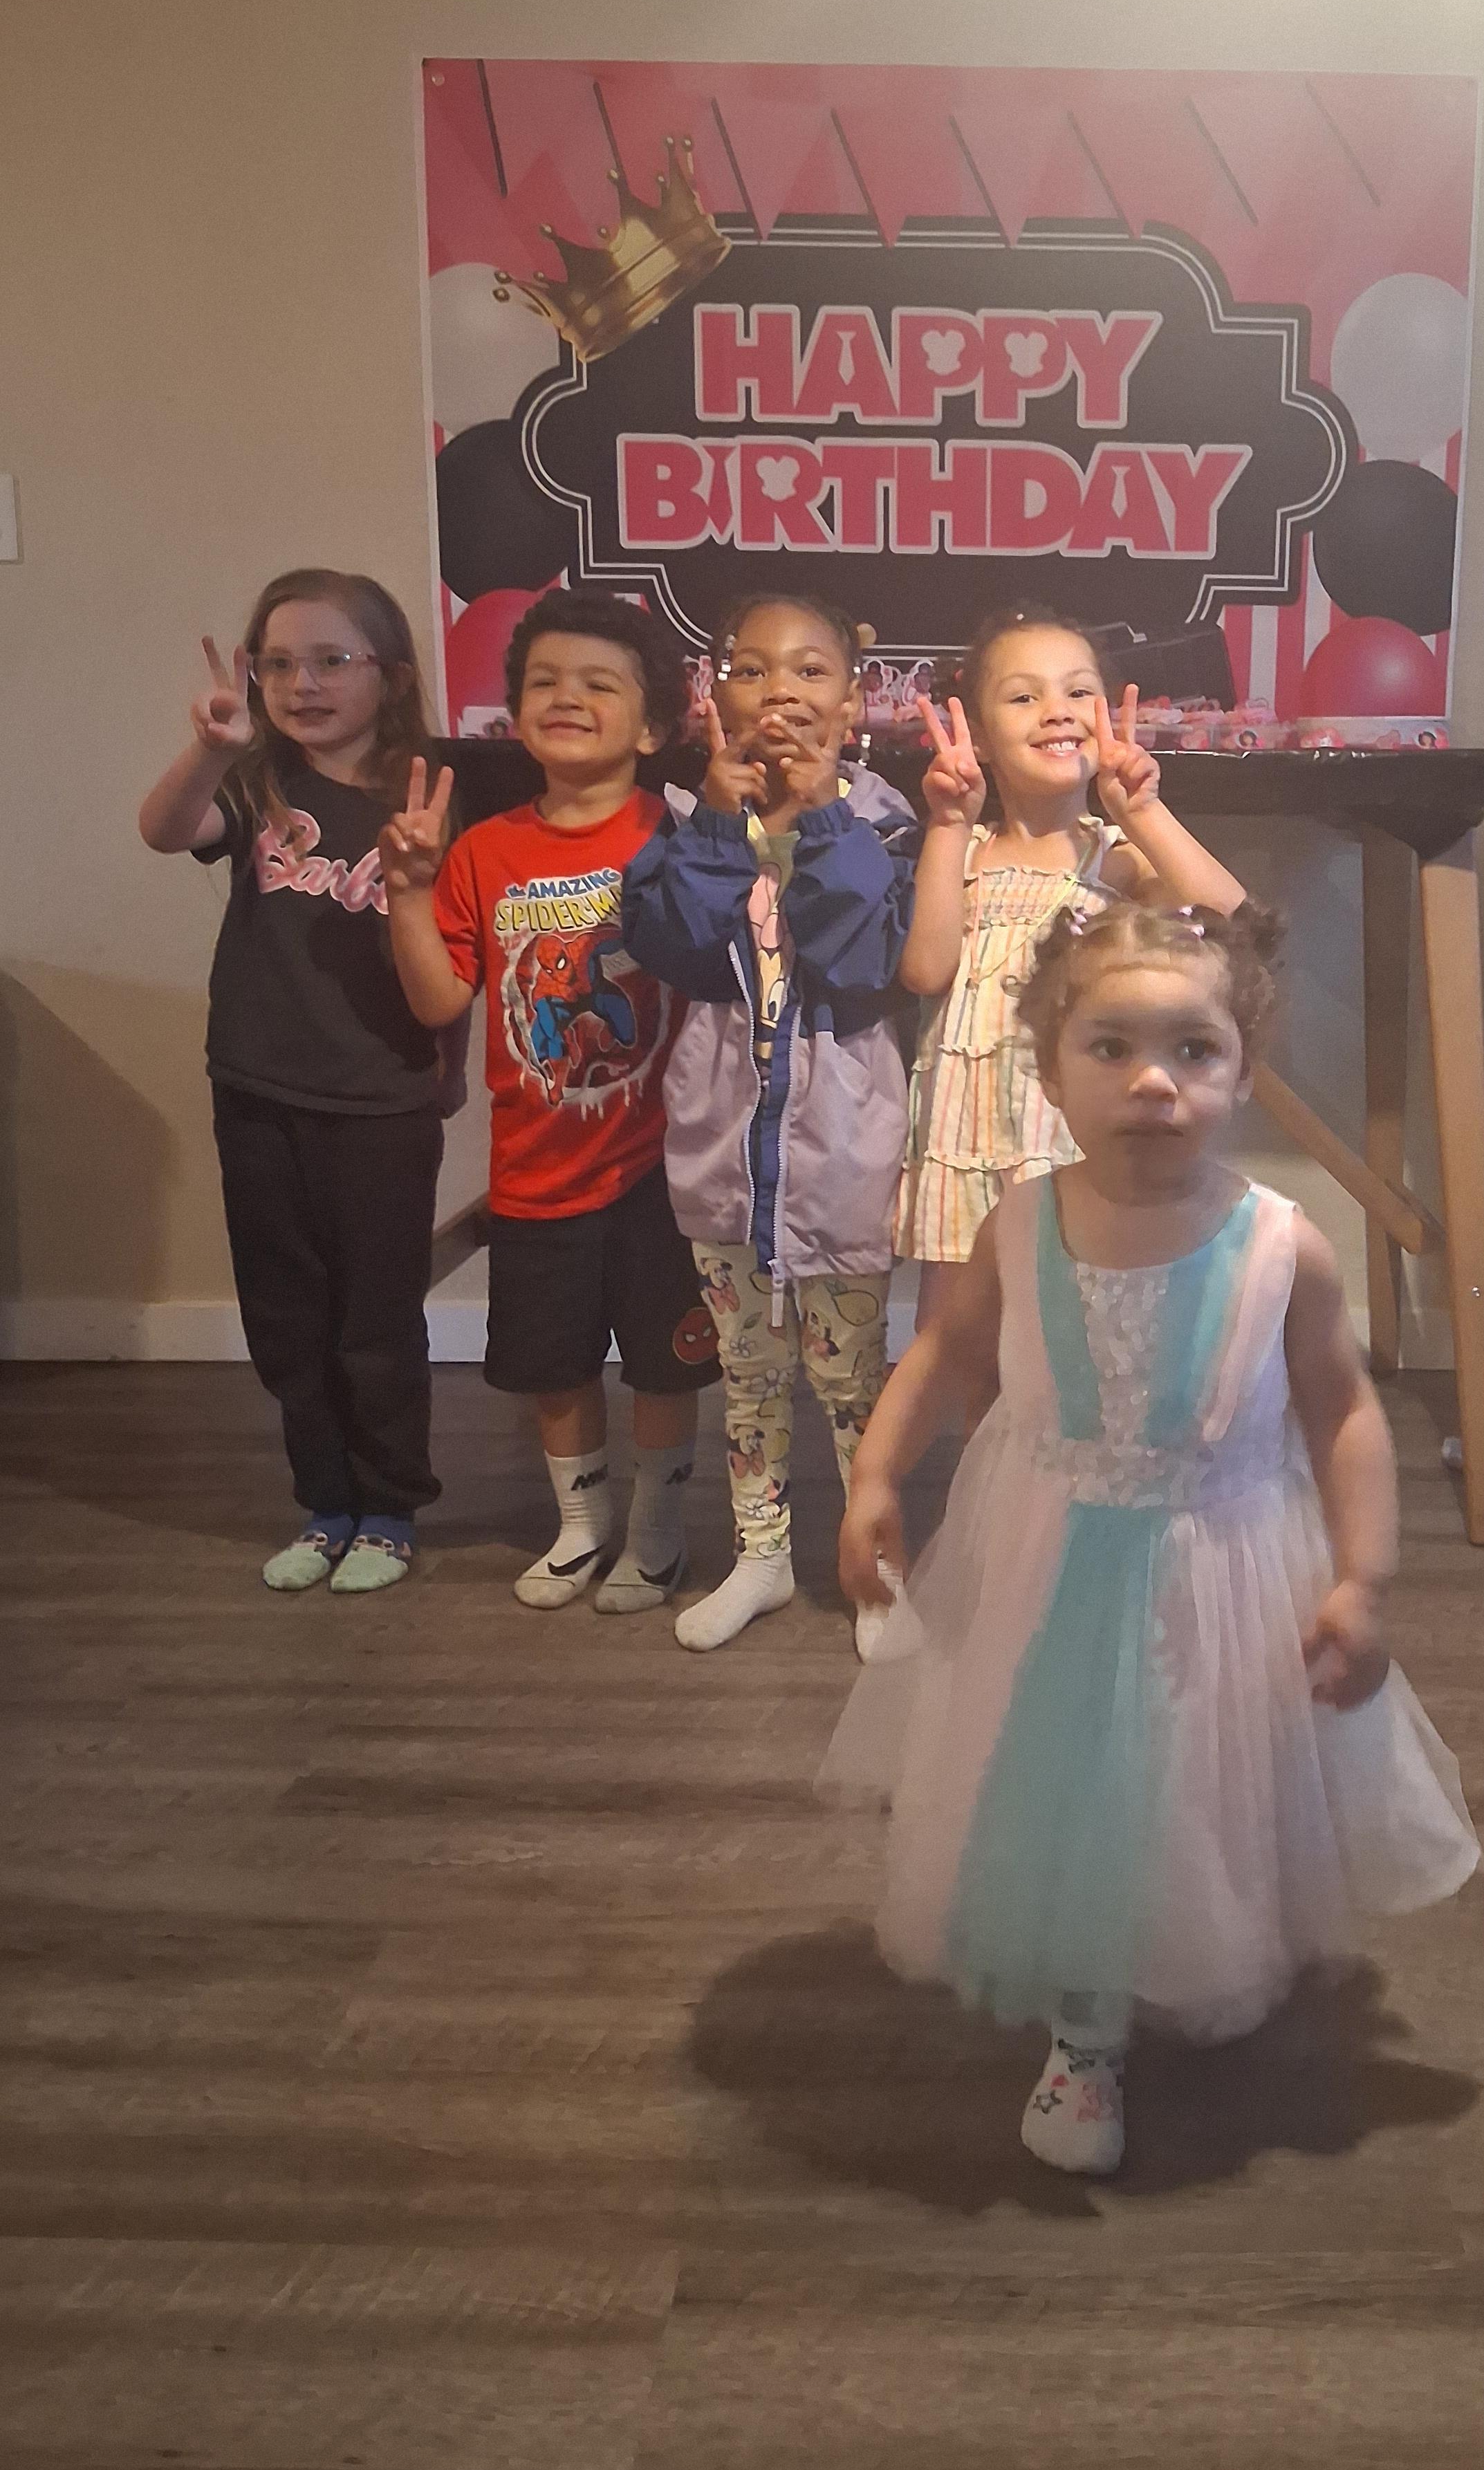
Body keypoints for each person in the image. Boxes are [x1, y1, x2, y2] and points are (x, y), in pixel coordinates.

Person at [826, 898, 1481, 2177]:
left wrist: (1365, 1578)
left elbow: (1343, 1411)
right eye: (1113, 1047)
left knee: (1192, 1787)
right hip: (1045, 1560)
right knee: (1063, 1783)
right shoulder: (1018, 1224)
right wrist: (872, 1479)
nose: (1153, 1084)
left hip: (1218, 1567)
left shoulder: (1283, 1248)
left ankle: (1193, 1943)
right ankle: (1086, 2030)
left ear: (1244, 1072)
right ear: (1051, 1066)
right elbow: (944, 1355)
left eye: (1194, 1052)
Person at [381, 588, 719, 1611]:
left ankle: (657, 1530)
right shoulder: (484, 851)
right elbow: (440, 995)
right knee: (552, 1366)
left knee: (665, 1366)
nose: (566, 697)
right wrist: (406, 888)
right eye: (543, 682)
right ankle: (582, 1526)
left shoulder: (679, 833)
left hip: (665, 1172)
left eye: (599, 684)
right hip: (535, 1174)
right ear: (512, 712)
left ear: (653, 725)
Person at [137, 570, 449, 1594]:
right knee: (287, 1316)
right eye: (278, 662)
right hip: (259, 1090)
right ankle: (327, 1504)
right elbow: (164, 829)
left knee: (375, 1319)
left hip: (382, 1099)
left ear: (390, 675)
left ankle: (390, 1508)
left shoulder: (433, 785)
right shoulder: (253, 782)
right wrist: (212, 750)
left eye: (329, 660)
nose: (300, 683)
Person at [622, 594, 918, 1660]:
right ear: (717, 694)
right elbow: (672, 943)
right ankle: (760, 1555)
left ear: (853, 700)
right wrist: (715, 818)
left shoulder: (883, 822)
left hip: (842, 1154)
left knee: (851, 1378)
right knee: (747, 1371)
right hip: (721, 1154)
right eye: (752, 669)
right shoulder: (694, 821)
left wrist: (820, 816)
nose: (781, 692)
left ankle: (875, 1566)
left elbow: (864, 960)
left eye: (810, 672)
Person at [893, 604, 1246, 1329]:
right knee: (959, 1347)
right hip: (963, 1144)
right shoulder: (962, 852)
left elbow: (1225, 924)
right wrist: (948, 825)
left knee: (1075, 1340)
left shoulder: (1117, 854)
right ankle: (981, 1452)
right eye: (1024, 697)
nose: (1057, 712)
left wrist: (1145, 810)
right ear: (981, 735)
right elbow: (926, 971)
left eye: (1078, 692)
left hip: (1069, 1141)